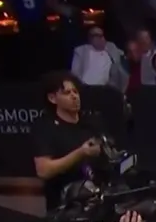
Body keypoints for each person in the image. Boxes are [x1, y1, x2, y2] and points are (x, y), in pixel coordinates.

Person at [31, 72, 104, 211]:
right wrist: (80, 153)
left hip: (98, 200)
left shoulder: (91, 122)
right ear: (52, 98)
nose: (74, 96)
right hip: (65, 206)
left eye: (75, 92)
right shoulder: (45, 127)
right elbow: (43, 171)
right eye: (67, 93)